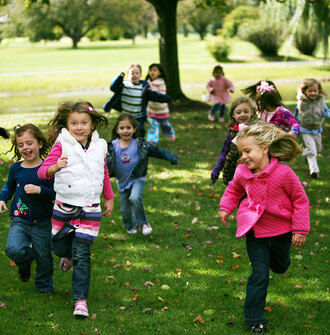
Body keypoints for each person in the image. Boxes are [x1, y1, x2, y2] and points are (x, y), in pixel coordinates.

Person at [219, 123, 310, 334]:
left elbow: (300, 200)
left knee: (280, 267)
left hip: (281, 232)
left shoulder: (284, 173)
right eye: (241, 152)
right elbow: (233, 190)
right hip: (255, 231)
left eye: (248, 151)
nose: (243, 156)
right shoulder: (242, 171)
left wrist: (300, 229)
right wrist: (225, 207)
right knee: (259, 275)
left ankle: (279, 261)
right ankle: (254, 319)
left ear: (265, 149)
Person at [38, 101, 114, 317]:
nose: (79, 127)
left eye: (83, 123)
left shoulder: (100, 146)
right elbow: (42, 172)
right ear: (67, 125)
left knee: (83, 253)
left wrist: (109, 196)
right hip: (65, 207)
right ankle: (67, 256)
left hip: (90, 208)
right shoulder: (62, 145)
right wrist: (54, 167)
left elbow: (104, 172)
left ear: (92, 125)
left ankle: (81, 300)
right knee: (60, 247)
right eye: (74, 123)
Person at [0, 124, 55, 293]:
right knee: (12, 249)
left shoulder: (48, 168)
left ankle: (44, 286)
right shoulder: (16, 168)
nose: (25, 148)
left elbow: (56, 193)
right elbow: (8, 187)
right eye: (21, 145)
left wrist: (40, 190)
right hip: (20, 219)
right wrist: (2, 199)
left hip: (42, 221)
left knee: (44, 258)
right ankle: (25, 262)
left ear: (39, 143)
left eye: (29, 143)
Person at [107, 113, 178, 235]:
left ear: (134, 129)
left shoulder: (141, 145)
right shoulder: (111, 147)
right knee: (125, 209)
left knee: (135, 197)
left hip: (138, 178)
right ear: (117, 130)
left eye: (128, 128)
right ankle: (130, 226)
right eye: (122, 128)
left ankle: (143, 223)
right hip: (122, 182)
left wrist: (171, 157)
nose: (125, 131)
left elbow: (157, 151)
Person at [102, 64, 171, 138]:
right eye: (132, 73)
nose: (134, 75)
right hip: (126, 115)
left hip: (139, 115)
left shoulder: (144, 86)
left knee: (140, 130)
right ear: (128, 75)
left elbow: (153, 95)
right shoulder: (124, 85)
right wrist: (120, 77)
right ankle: (121, 145)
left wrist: (166, 98)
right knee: (123, 131)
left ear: (140, 75)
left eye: (137, 73)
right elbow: (113, 87)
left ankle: (139, 145)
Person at [211, 96, 257, 185]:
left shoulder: (256, 130)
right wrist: (216, 169)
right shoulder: (232, 132)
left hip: (252, 172)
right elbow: (224, 152)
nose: (242, 114)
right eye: (238, 112)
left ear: (251, 112)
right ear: (233, 114)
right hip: (233, 172)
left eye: (246, 111)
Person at [294, 78, 330, 178]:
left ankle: (301, 153)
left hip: (317, 129)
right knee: (313, 151)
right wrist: (294, 126)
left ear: (318, 91)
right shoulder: (301, 102)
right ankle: (314, 171)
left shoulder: (321, 101)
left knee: (317, 149)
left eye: (315, 91)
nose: (313, 93)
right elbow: (296, 115)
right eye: (310, 91)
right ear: (304, 91)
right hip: (305, 130)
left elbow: (326, 112)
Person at [145, 63, 175, 144]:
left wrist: (153, 95)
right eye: (151, 70)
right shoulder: (146, 83)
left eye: (155, 70)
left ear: (159, 73)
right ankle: (152, 141)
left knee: (165, 124)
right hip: (151, 109)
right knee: (153, 125)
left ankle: (171, 133)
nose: (152, 72)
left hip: (161, 109)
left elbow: (162, 94)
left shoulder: (161, 82)